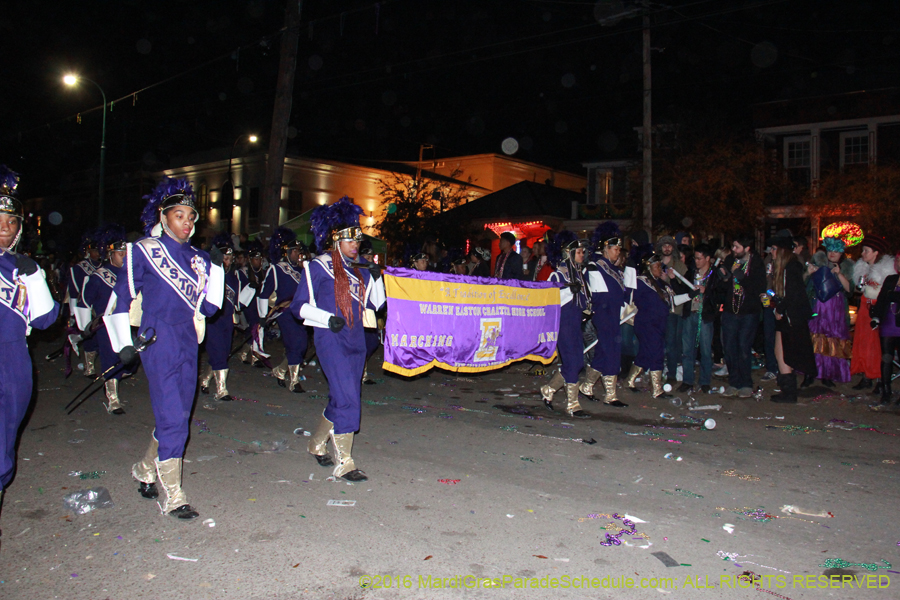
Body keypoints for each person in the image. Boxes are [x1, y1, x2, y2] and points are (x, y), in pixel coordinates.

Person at [103, 177, 225, 519]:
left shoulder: (199, 258)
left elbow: (210, 309)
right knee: (173, 415)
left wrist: (216, 270)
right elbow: (119, 300)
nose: (186, 223)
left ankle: (145, 468)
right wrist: (122, 346)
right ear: (163, 217)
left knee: (179, 414)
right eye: (179, 216)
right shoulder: (142, 250)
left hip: (189, 339)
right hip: (157, 339)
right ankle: (173, 494)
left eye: (190, 217)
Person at [291, 197, 385, 482]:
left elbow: (375, 306)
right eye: (350, 240)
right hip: (330, 338)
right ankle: (345, 461)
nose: (355, 245)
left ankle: (316, 443)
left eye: (358, 240)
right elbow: (298, 306)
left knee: (342, 396)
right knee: (348, 397)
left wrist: (378, 277)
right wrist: (325, 319)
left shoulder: (360, 271)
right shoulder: (317, 266)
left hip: (356, 339)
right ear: (335, 241)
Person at [0, 166, 60, 507]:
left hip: (14, 360)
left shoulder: (23, 266)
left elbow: (46, 319)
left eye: (12, 223)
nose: (4, 229)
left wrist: (35, 278)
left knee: (5, 445)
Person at [81, 224, 134, 414]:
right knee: (111, 359)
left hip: (127, 323)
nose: (125, 257)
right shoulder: (98, 276)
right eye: (121, 254)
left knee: (130, 361)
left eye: (126, 254)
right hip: (106, 324)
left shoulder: (130, 275)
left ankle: (118, 376)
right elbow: (85, 301)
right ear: (111, 255)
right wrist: (85, 324)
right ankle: (113, 399)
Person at [581, 222, 634, 407]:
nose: (618, 252)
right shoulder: (595, 266)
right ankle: (610, 395)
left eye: (619, 249)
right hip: (603, 313)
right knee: (612, 350)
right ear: (605, 249)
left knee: (604, 351)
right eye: (615, 248)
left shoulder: (617, 270)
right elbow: (599, 294)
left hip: (614, 313)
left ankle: (586, 387)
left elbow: (625, 293)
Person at [540, 233, 591, 417]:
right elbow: (549, 300)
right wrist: (570, 290)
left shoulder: (579, 273)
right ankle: (573, 405)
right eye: (578, 251)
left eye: (583, 251)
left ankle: (549, 389)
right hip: (562, 324)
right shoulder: (557, 274)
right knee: (573, 361)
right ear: (567, 253)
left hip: (575, 323)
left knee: (577, 362)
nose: (582, 254)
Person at [625, 255, 690, 398]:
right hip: (646, 324)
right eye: (657, 266)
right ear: (648, 267)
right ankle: (657, 390)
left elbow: (671, 302)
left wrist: (690, 295)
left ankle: (629, 381)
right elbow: (628, 297)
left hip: (659, 324)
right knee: (657, 353)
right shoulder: (640, 282)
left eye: (660, 266)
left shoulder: (662, 284)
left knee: (645, 353)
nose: (660, 269)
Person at [714, 236, 766, 398]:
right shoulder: (730, 260)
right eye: (733, 247)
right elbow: (723, 287)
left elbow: (759, 287)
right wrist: (723, 278)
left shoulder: (756, 263)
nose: (734, 250)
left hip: (748, 312)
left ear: (747, 248)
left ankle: (746, 383)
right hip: (730, 311)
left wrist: (743, 278)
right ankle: (734, 382)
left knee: (744, 348)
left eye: (737, 247)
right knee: (729, 348)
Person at [199, 233, 248, 402]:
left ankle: (205, 379)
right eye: (225, 258)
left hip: (228, 320)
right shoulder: (211, 274)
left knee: (223, 353)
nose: (228, 261)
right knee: (218, 352)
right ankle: (221, 390)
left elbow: (238, 302)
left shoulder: (235, 277)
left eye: (230, 258)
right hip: (213, 320)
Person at [768, 237, 816, 403]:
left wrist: (781, 309)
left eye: (774, 248)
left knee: (785, 352)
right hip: (787, 315)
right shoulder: (783, 268)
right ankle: (787, 389)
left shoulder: (792, 266)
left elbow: (794, 293)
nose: (771, 252)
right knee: (780, 350)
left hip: (792, 317)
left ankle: (789, 392)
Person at [259, 228, 308, 393]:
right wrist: (262, 316)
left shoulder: (303, 270)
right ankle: (294, 382)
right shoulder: (277, 268)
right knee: (295, 342)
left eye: (298, 251)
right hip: (284, 311)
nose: (297, 254)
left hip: (301, 311)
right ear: (287, 252)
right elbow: (264, 293)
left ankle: (280, 370)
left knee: (301, 345)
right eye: (294, 251)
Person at [805, 237, 854, 387]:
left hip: (836, 310)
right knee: (814, 339)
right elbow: (804, 286)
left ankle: (828, 374)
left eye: (836, 251)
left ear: (841, 254)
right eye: (830, 250)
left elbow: (850, 290)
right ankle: (810, 373)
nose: (832, 253)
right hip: (818, 307)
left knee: (833, 340)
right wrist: (809, 273)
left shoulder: (846, 267)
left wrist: (839, 274)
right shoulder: (818, 264)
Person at [851, 236, 895, 392]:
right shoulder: (862, 268)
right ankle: (866, 376)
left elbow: (888, 292)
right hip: (864, 306)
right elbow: (857, 290)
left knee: (876, 344)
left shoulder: (887, 269)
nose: (863, 254)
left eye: (866, 251)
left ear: (876, 252)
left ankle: (879, 379)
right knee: (862, 341)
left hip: (878, 308)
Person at [678, 244, 717, 394]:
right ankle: (687, 381)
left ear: (707, 258)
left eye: (700, 258)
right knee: (687, 350)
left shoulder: (713, 275)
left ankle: (705, 381)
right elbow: (682, 290)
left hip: (705, 316)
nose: (696, 261)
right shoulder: (691, 272)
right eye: (695, 258)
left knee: (706, 350)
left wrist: (706, 291)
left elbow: (719, 294)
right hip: (690, 314)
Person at [68, 228, 102, 377]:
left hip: (101, 305)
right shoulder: (79, 267)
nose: (98, 252)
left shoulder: (104, 266)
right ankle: (90, 368)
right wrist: (72, 313)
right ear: (88, 250)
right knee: (88, 335)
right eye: (95, 249)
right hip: (86, 305)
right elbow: (74, 290)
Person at [656, 235, 687, 384]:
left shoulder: (679, 266)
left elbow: (682, 288)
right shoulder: (655, 264)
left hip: (674, 310)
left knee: (672, 343)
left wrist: (668, 279)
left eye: (669, 245)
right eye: (664, 245)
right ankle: (657, 371)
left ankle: (672, 374)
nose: (667, 248)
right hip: (657, 309)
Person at [870, 251, 900, 405]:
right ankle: (886, 391)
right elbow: (881, 300)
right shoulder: (891, 280)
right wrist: (876, 317)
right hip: (889, 323)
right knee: (886, 358)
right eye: (899, 261)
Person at [237, 239, 268, 367]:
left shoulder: (263, 273)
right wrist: (251, 286)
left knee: (255, 328)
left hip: (259, 303)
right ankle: (256, 356)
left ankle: (244, 352)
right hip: (248, 304)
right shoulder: (242, 272)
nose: (258, 262)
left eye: (260, 259)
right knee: (256, 326)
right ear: (250, 260)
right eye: (256, 259)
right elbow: (240, 290)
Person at [359, 240, 381, 385]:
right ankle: (362, 374)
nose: (368, 259)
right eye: (365, 257)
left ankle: (362, 369)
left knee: (372, 342)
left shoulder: (373, 271)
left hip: (370, 312)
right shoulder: (356, 270)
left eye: (370, 257)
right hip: (358, 311)